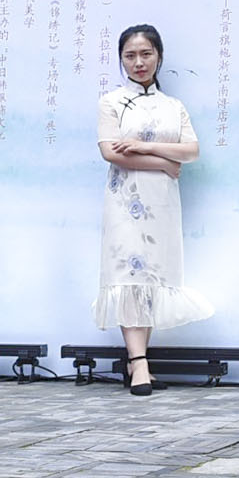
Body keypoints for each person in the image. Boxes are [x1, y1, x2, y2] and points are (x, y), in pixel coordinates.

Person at [94, 24, 211, 396]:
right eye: (130, 55)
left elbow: (191, 151)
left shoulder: (173, 106)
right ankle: (139, 362)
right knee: (129, 275)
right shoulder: (112, 102)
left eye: (146, 54)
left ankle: (139, 361)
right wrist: (163, 162)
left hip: (162, 203)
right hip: (124, 202)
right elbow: (111, 152)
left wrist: (143, 147)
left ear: (159, 56)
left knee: (152, 278)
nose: (138, 62)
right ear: (121, 60)